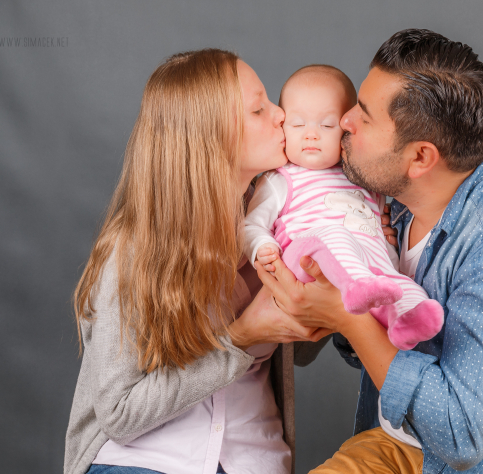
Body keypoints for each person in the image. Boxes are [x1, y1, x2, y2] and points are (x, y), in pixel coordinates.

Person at [257, 29, 483, 473]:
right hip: (402, 445)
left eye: (365, 117)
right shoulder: (390, 209)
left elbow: (459, 436)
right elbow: (361, 342)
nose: (345, 120)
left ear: (420, 158)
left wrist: (349, 318)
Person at [64, 49, 328, 474]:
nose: (281, 114)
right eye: (259, 109)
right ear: (211, 138)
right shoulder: (134, 251)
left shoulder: (282, 223)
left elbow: (299, 348)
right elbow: (119, 413)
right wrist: (240, 337)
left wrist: (344, 278)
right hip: (142, 461)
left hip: (251, 460)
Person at [244, 64, 443, 351]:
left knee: (400, 283)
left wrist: (389, 256)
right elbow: (251, 224)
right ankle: (359, 285)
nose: (311, 135)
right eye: (297, 125)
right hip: (306, 261)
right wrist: (261, 246)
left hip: (363, 266)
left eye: (326, 125)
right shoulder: (281, 179)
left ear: (346, 131)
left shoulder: (364, 180)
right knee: (334, 237)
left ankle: (408, 321)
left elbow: (375, 231)